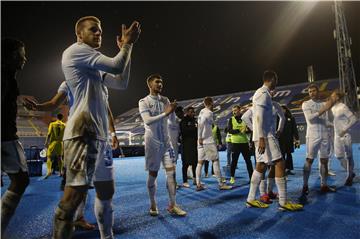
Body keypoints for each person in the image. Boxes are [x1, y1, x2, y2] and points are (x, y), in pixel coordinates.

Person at [51, 16, 140, 239]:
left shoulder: (94, 64)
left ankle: (106, 236)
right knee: (73, 196)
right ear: (79, 35)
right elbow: (117, 64)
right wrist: (128, 45)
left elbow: (121, 81)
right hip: (82, 134)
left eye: (100, 31)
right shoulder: (76, 51)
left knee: (106, 192)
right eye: (93, 30)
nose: (98, 33)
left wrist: (127, 51)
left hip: (98, 136)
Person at [246, 70, 302, 211]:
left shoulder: (261, 94)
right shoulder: (263, 94)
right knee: (280, 163)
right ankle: (283, 202)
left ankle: (251, 199)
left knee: (260, 165)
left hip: (262, 135)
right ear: (272, 80)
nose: (277, 82)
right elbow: (258, 117)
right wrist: (262, 138)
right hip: (266, 135)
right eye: (276, 80)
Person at [138, 74, 186, 216]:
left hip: (166, 144)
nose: (160, 84)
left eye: (161, 82)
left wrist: (178, 117)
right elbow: (147, 121)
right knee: (153, 174)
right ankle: (153, 204)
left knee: (171, 173)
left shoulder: (166, 100)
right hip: (152, 144)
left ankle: (173, 205)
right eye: (157, 82)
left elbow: (171, 120)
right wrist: (166, 113)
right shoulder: (143, 101)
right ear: (150, 85)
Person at [1, 38, 30, 236]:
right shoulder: (4, 77)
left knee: (20, 179)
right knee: (20, 180)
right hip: (4, 136)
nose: (25, 59)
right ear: (12, 56)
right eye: (22, 55)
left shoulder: (7, 76)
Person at [301, 83, 337, 199]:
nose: (312, 93)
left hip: (324, 135)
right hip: (312, 136)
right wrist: (325, 108)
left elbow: (325, 121)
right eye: (310, 91)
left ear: (318, 92)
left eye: (314, 91)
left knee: (324, 161)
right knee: (309, 160)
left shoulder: (323, 104)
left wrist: (335, 125)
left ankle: (324, 185)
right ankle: (305, 185)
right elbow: (310, 119)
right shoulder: (306, 104)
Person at [195, 97, 232, 191]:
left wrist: (199, 138)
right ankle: (220, 184)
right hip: (207, 141)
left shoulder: (202, 111)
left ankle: (198, 184)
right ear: (211, 103)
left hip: (201, 142)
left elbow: (200, 123)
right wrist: (200, 137)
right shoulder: (209, 113)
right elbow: (201, 124)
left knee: (200, 162)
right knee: (215, 161)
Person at [330, 90, 358, 186]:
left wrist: (344, 129)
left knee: (349, 156)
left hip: (345, 135)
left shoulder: (343, 107)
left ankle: (349, 176)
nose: (331, 98)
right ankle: (350, 171)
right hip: (337, 136)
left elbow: (354, 119)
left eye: (333, 96)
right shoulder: (333, 108)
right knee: (338, 156)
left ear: (338, 97)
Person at [227, 105, 252, 185]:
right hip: (235, 144)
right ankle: (232, 177)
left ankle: (251, 177)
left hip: (244, 143)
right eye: (233, 110)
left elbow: (250, 130)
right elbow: (229, 130)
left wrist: (247, 130)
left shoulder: (245, 118)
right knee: (234, 161)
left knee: (248, 161)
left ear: (240, 110)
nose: (234, 112)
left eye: (236, 110)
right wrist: (238, 130)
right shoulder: (231, 119)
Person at [180, 107, 198, 188]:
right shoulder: (183, 120)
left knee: (195, 163)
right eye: (190, 112)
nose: (192, 113)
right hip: (186, 145)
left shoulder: (195, 120)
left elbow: (197, 131)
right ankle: (185, 181)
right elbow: (184, 131)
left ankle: (195, 179)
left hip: (194, 144)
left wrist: (193, 130)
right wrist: (193, 129)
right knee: (185, 164)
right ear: (187, 112)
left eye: (193, 112)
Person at [279, 105, 299, 176]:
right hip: (280, 140)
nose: (282, 110)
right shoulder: (277, 118)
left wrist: (297, 139)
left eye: (283, 109)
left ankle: (289, 169)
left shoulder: (291, 118)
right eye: (280, 109)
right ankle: (282, 170)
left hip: (289, 140)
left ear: (286, 110)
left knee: (289, 154)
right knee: (282, 155)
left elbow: (294, 129)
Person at [44, 113, 66, 178]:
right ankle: (61, 172)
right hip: (60, 143)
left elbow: (49, 134)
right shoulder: (64, 125)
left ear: (56, 117)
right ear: (62, 118)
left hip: (53, 142)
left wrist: (46, 142)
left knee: (49, 157)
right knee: (60, 158)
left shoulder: (52, 124)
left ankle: (49, 171)